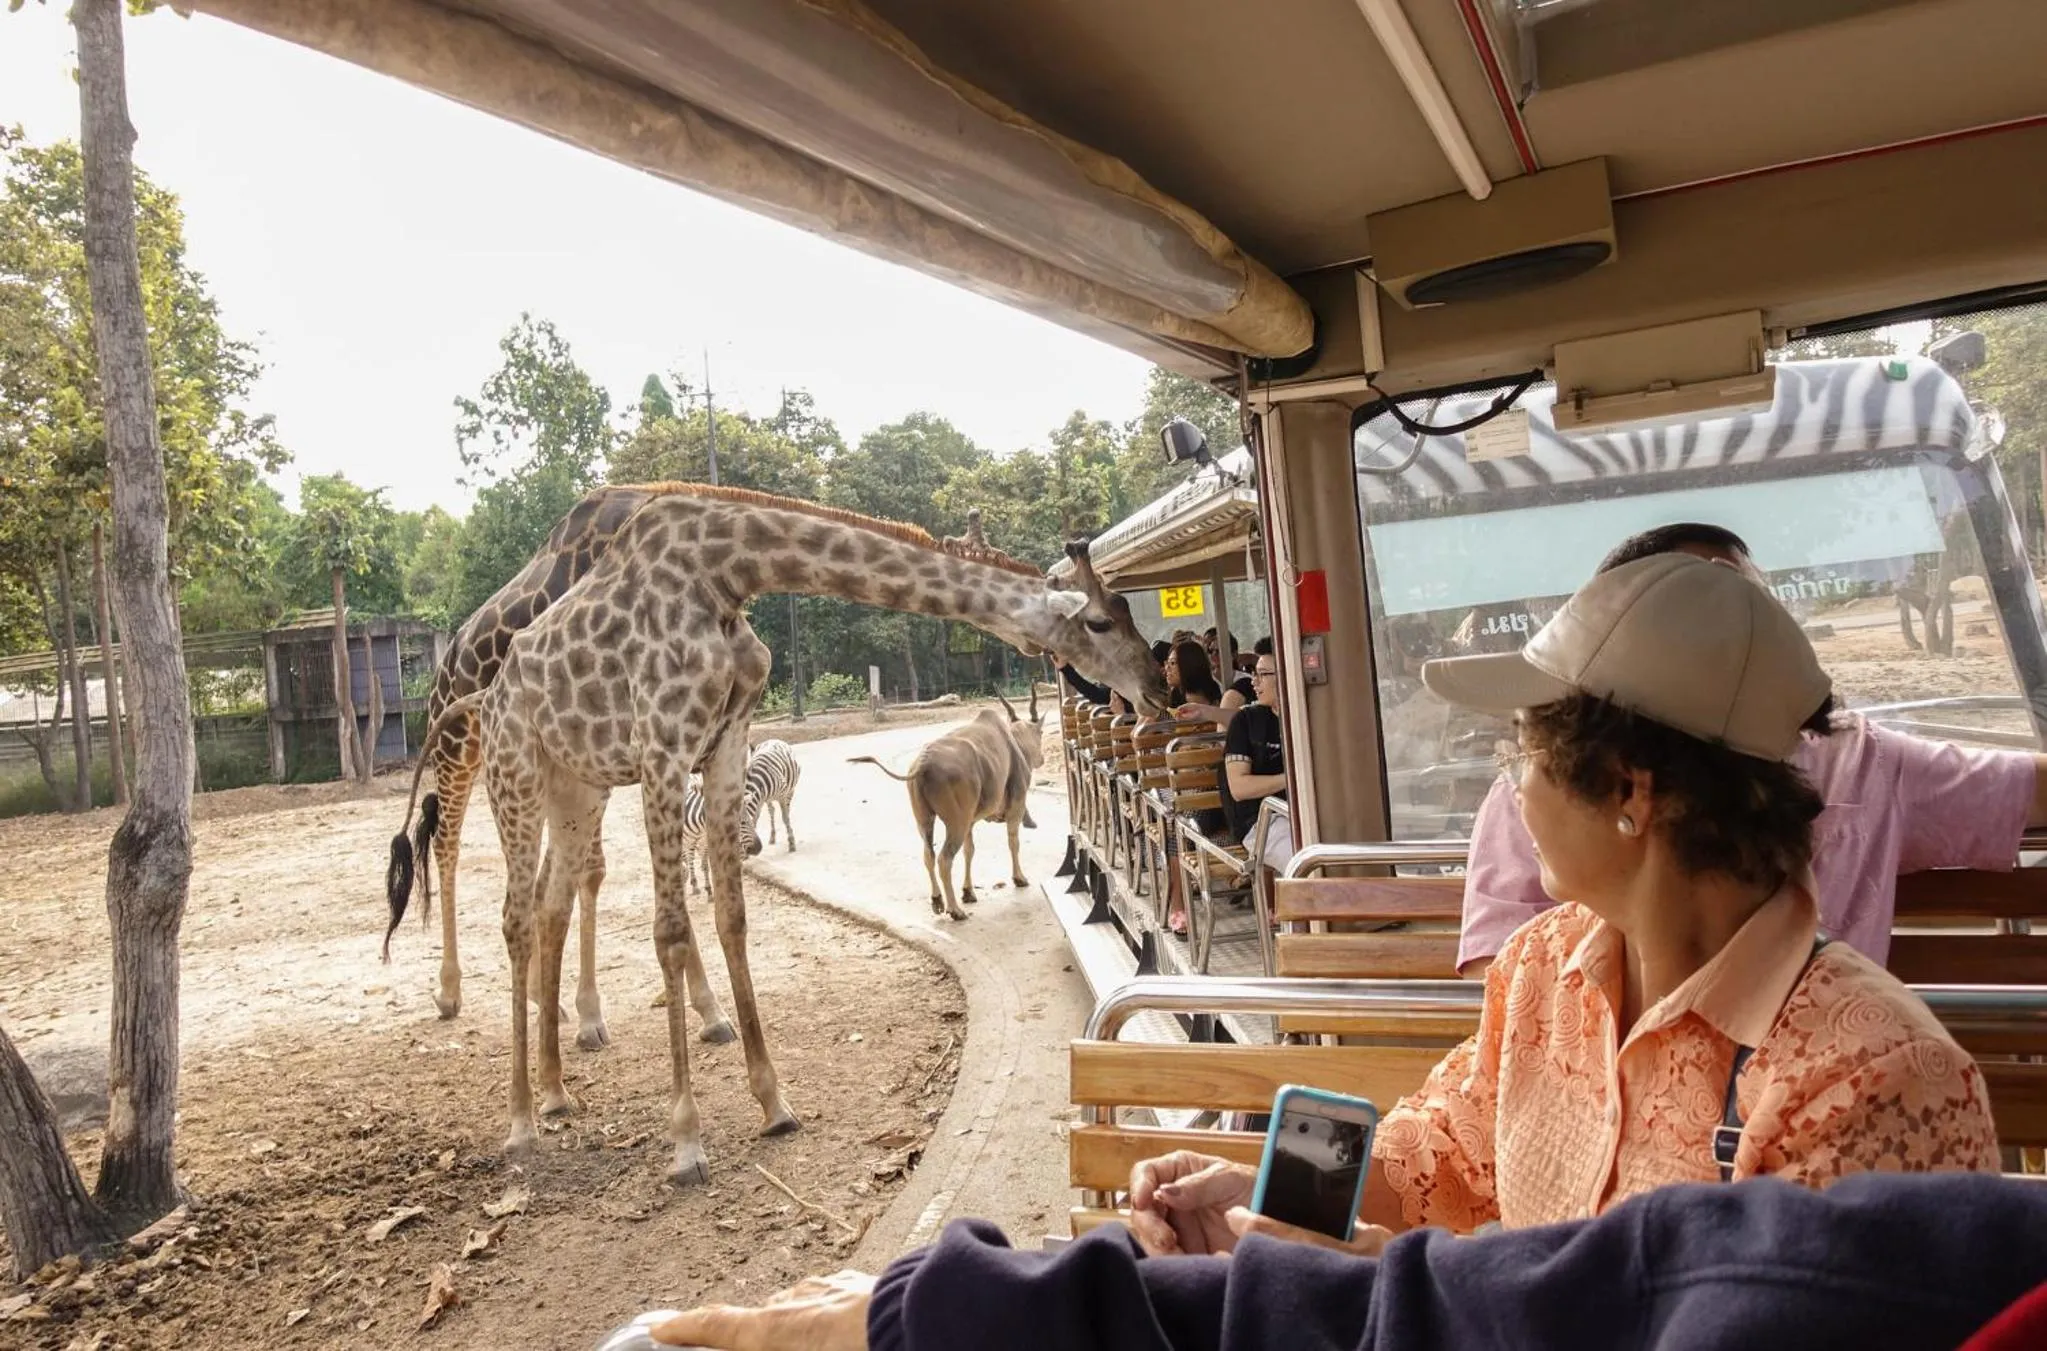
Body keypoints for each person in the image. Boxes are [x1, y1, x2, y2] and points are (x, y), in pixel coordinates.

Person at [1136, 553, 1997, 1244]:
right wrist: (1262, 1187)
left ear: (1629, 790)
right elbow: (1441, 1144)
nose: (1510, 793)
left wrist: (1392, 1289)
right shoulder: (1546, 964)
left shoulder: (1874, 1079)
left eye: (1522, 759)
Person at [1458, 522, 2047, 978]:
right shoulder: (1546, 958)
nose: (1523, 775)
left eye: (1746, 610)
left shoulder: (1863, 763)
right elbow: (1502, 982)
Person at [642, 1171, 2047, 1351]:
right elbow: (1423, 1167)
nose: (1507, 774)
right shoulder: (1542, 966)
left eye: (1540, 740)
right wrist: (1259, 1216)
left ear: (1632, 791)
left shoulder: (1857, 1076)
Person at [1219, 638, 1288, 867]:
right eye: (1253, 673)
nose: (1254, 682)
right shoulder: (1246, 721)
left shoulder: (1309, 716)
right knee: (1299, 857)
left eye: (1263, 674)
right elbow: (1239, 788)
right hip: (1261, 820)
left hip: (1311, 814)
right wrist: (1291, 780)